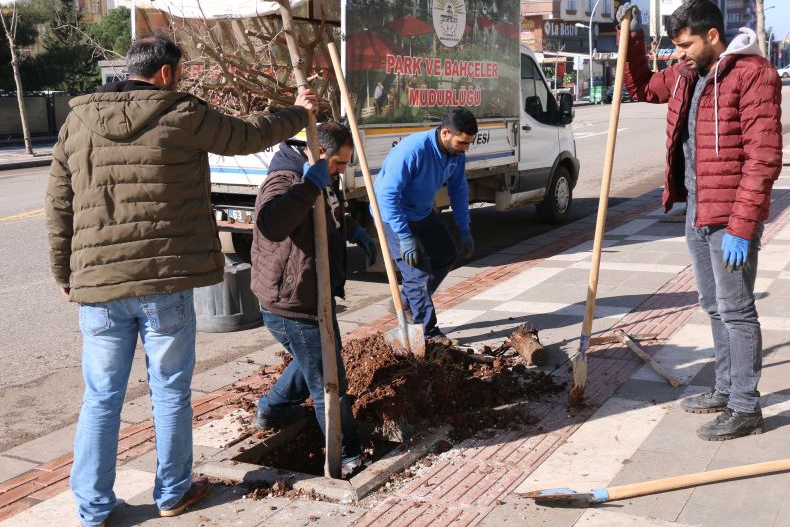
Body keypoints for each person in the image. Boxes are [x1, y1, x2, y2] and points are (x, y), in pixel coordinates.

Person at [44, 35, 318, 526]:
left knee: (101, 396)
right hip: (165, 281)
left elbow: (59, 204)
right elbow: (248, 136)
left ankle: (92, 509)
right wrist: (297, 111)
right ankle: (173, 492)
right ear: (167, 73)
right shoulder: (182, 113)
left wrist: (64, 270)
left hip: (99, 288)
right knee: (169, 389)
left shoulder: (76, 121)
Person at [616, 0, 782, 440]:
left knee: (737, 311)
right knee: (712, 306)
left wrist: (743, 227)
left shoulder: (752, 74)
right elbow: (643, 87)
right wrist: (633, 38)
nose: (680, 54)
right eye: (675, 46)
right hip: (698, 210)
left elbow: (763, 159)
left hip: (730, 218)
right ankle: (725, 389)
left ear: (712, 36)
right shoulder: (688, 74)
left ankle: (747, 407)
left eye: (686, 44)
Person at [249, 121, 375, 474]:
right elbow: (271, 224)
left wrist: (356, 231)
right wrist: (307, 186)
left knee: (317, 360)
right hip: (292, 303)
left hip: (314, 296)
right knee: (329, 381)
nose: (340, 171)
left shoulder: (321, 175)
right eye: (337, 163)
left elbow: (328, 216)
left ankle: (271, 409)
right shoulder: (286, 180)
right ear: (319, 153)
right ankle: (348, 454)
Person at [373, 107, 478, 345]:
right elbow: (387, 197)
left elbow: (459, 191)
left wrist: (464, 229)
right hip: (393, 215)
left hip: (421, 212)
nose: (465, 149)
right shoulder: (413, 151)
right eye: (462, 142)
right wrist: (404, 235)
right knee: (417, 274)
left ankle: (409, 301)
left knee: (446, 255)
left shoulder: (455, 156)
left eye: (468, 144)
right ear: (445, 133)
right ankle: (427, 333)